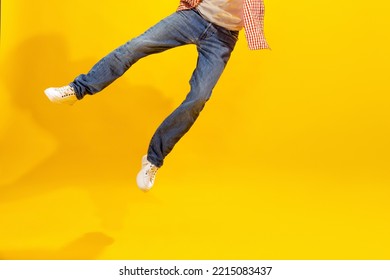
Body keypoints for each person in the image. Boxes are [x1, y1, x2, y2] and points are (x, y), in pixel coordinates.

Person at [44, 0, 269, 191]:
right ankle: (77, 90)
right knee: (135, 47)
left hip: (223, 37)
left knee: (199, 96)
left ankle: (153, 160)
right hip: (194, 15)